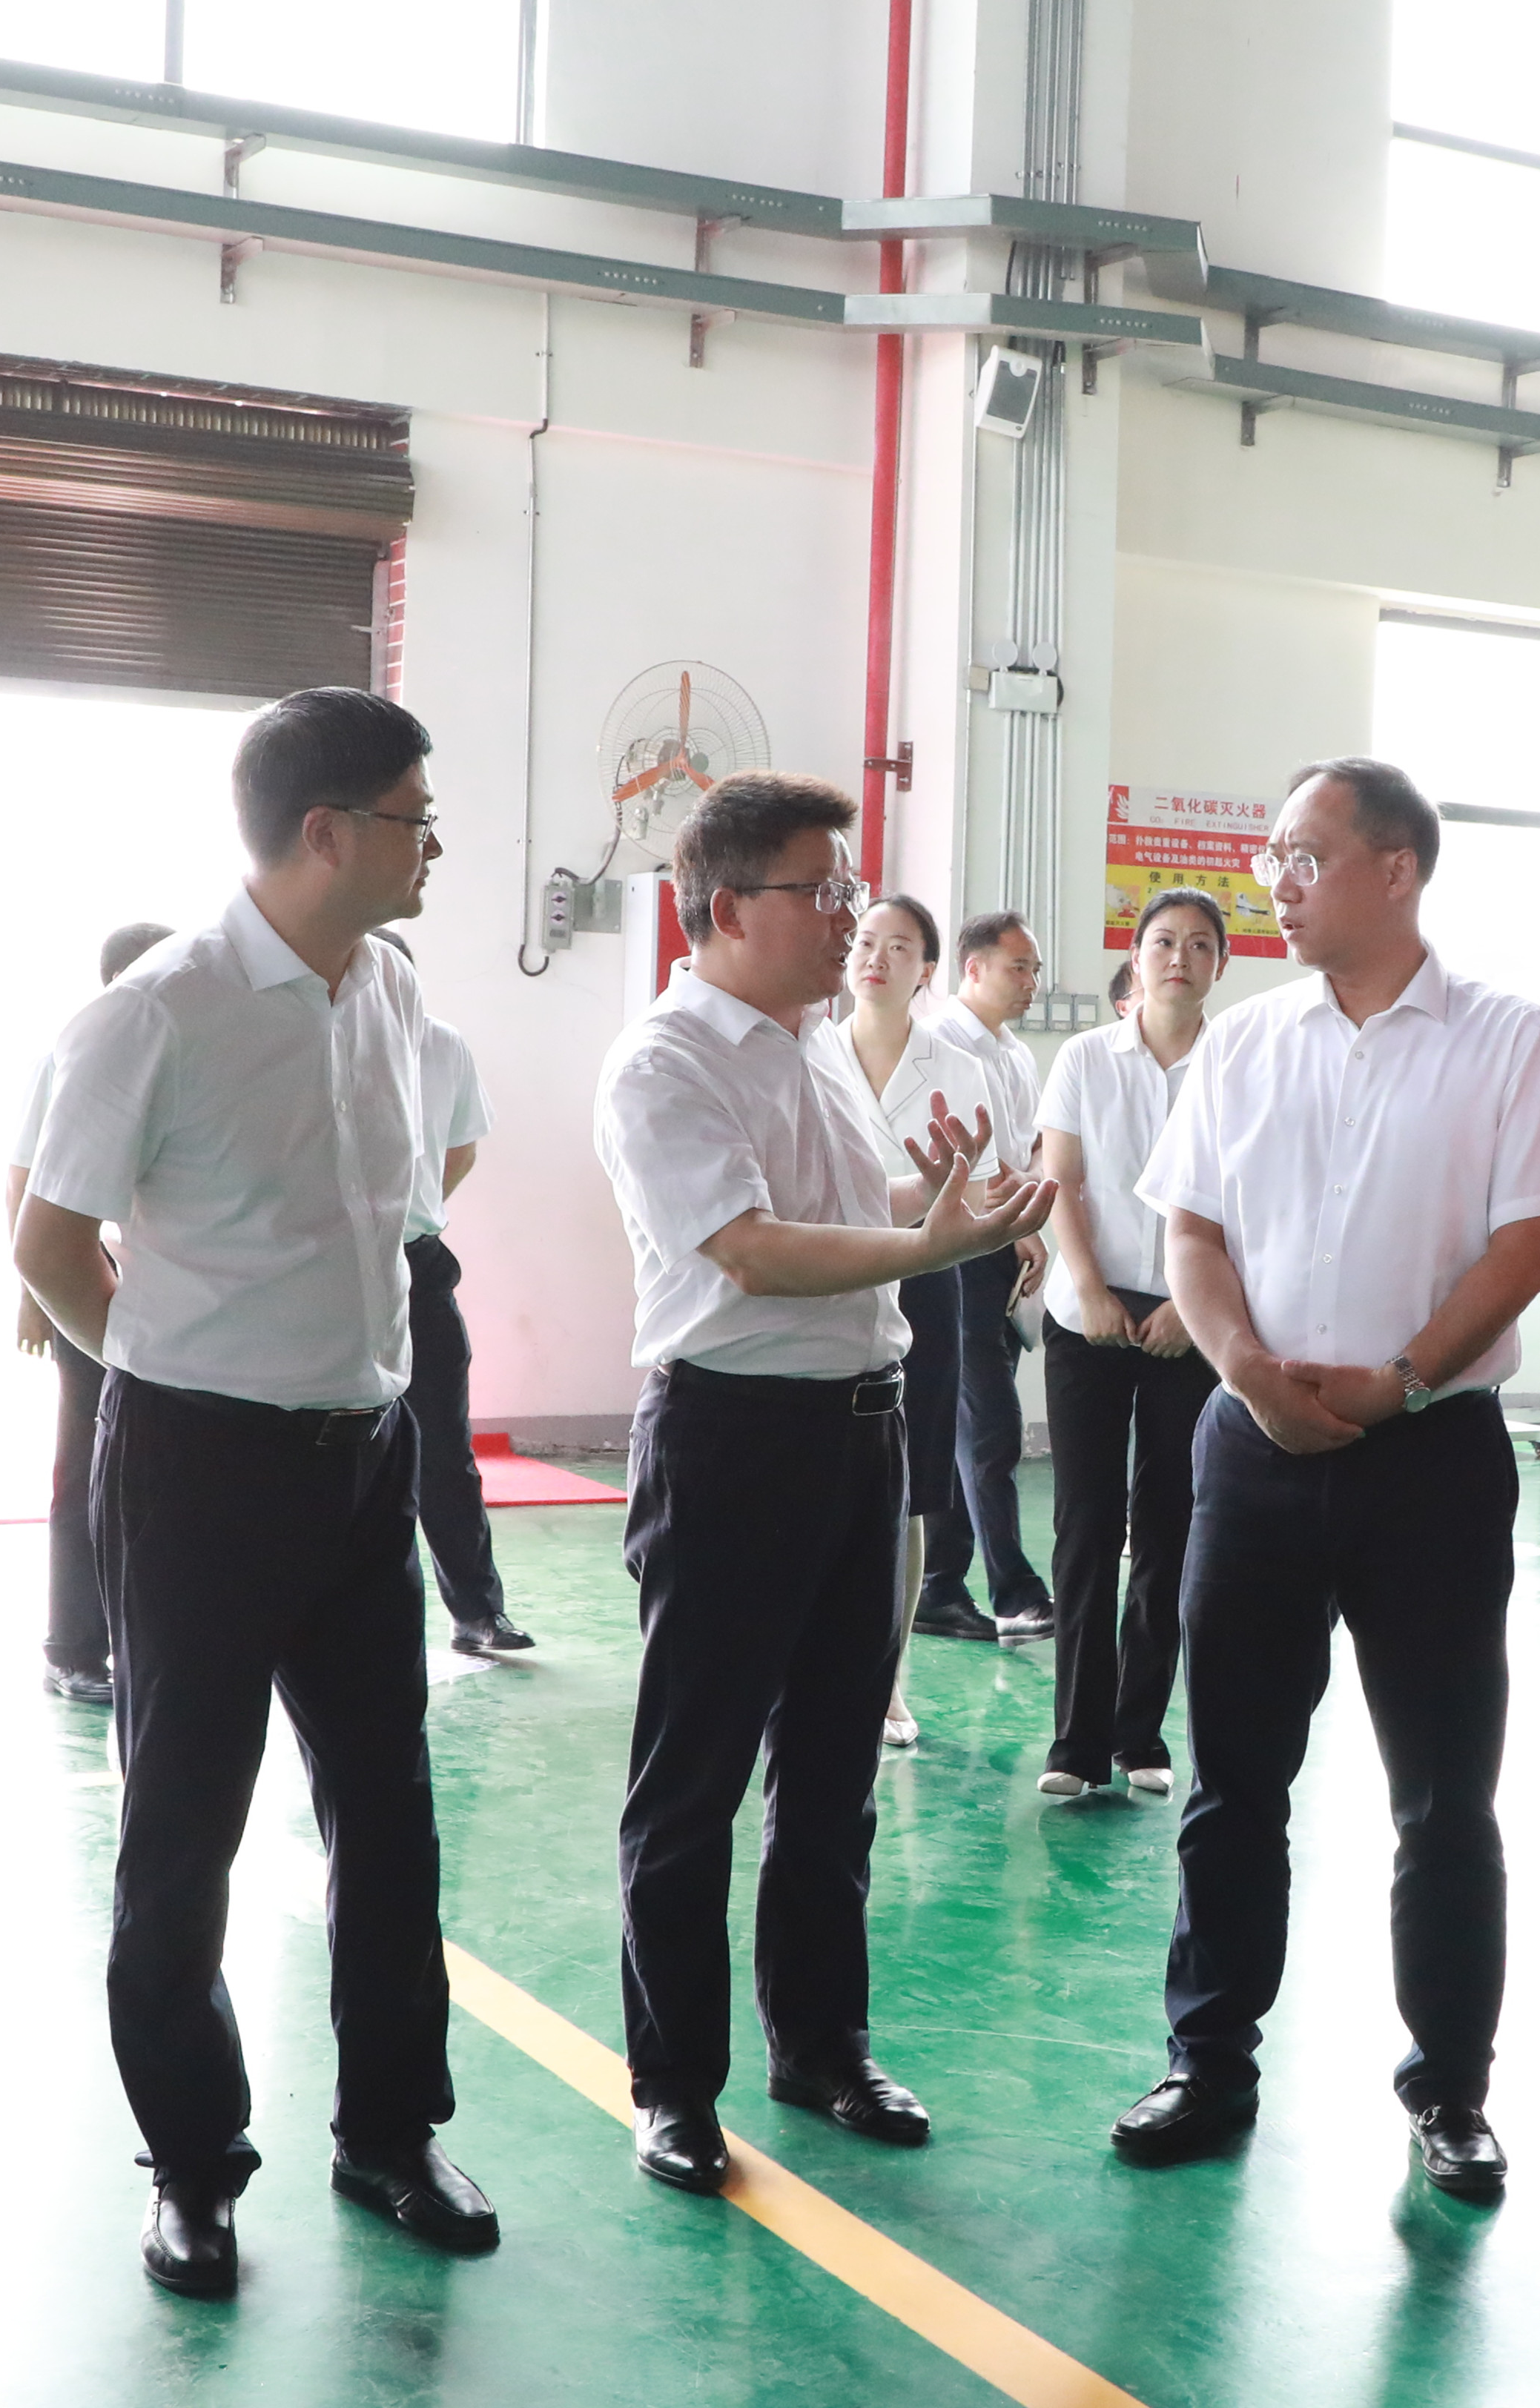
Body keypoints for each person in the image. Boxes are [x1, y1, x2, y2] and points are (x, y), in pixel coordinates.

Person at [13, 687, 496, 2299]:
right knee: (184, 1827)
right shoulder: (156, 1013)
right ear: (326, 832)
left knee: (390, 1814)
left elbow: (417, 1180)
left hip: (363, 1457)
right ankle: (194, 2165)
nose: (435, 845)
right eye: (418, 817)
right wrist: (167, 1366)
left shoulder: (388, 988)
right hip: (200, 1468)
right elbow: (47, 1243)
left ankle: (390, 2131)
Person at [1106, 756, 1540, 2203]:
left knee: (1444, 1796)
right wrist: (1250, 1373)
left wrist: (1402, 1381)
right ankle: (1208, 2059)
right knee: (1231, 1782)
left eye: (1304, 855)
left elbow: (1526, 1244)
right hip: (1253, 1454)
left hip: (1429, 1461)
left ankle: (1450, 2088)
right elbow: (1191, 1232)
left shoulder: (1509, 1041)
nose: (1277, 879)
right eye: (1271, 854)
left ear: (1395, 869)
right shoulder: (1245, 1044)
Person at [595, 772, 1057, 2198]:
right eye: (827, 890)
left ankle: (820, 2044)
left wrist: (942, 1212)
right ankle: (676, 2084)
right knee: (695, 1780)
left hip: (863, 1436)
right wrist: (926, 1250)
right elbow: (749, 1249)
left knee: (836, 1766)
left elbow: (850, 1225)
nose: (852, 915)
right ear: (731, 907)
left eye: (852, 887)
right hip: (732, 1439)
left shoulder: (814, 1048)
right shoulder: (666, 1061)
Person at [1031, 887, 1230, 1800]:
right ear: (1137, 958)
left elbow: (1248, 1197)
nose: (1178, 957)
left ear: (1219, 963)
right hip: (1090, 1316)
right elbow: (1062, 1180)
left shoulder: (1235, 1066)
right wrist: (1090, 1288)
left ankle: (1139, 1732)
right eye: (1162, 942)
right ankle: (1075, 1741)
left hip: (1190, 1323)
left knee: (1169, 1526)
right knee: (1086, 1525)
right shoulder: (1084, 1056)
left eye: (1199, 944)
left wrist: (1193, 1307)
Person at [9, 919, 171, 1707]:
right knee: (87, 1464)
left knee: (162, 1470)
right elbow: (27, 1180)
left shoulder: (188, 1040)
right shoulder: (79, 1048)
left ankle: (151, 1639)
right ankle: (73, 1647)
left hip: (168, 1280)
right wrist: (34, 1297)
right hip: (91, 1271)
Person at [371, 926, 532, 1658]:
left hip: (417, 1263)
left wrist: (415, 1210)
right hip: (331, 1269)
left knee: (443, 1446)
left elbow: (461, 1147)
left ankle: (478, 1612)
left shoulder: (441, 1045)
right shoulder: (312, 1038)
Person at [837, 895, 974, 1743]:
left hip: (924, 1275)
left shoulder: (954, 1064)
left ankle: (889, 1680)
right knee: (828, 1476)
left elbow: (980, 1187)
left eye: (898, 947)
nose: (875, 958)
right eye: (864, 940)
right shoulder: (809, 1051)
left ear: (926, 969)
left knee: (911, 1487)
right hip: (826, 1271)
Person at [915, 912, 1054, 1636]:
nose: (1031, 982)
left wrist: (1028, 1227)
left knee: (969, 1423)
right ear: (973, 969)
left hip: (1002, 1245)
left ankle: (940, 1585)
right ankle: (1012, 1588)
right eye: (1017, 967)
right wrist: (1019, 1222)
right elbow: (956, 1162)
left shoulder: (1015, 1054)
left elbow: (1027, 1152)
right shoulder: (938, 1043)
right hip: (958, 1249)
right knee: (990, 1422)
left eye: (1034, 968)